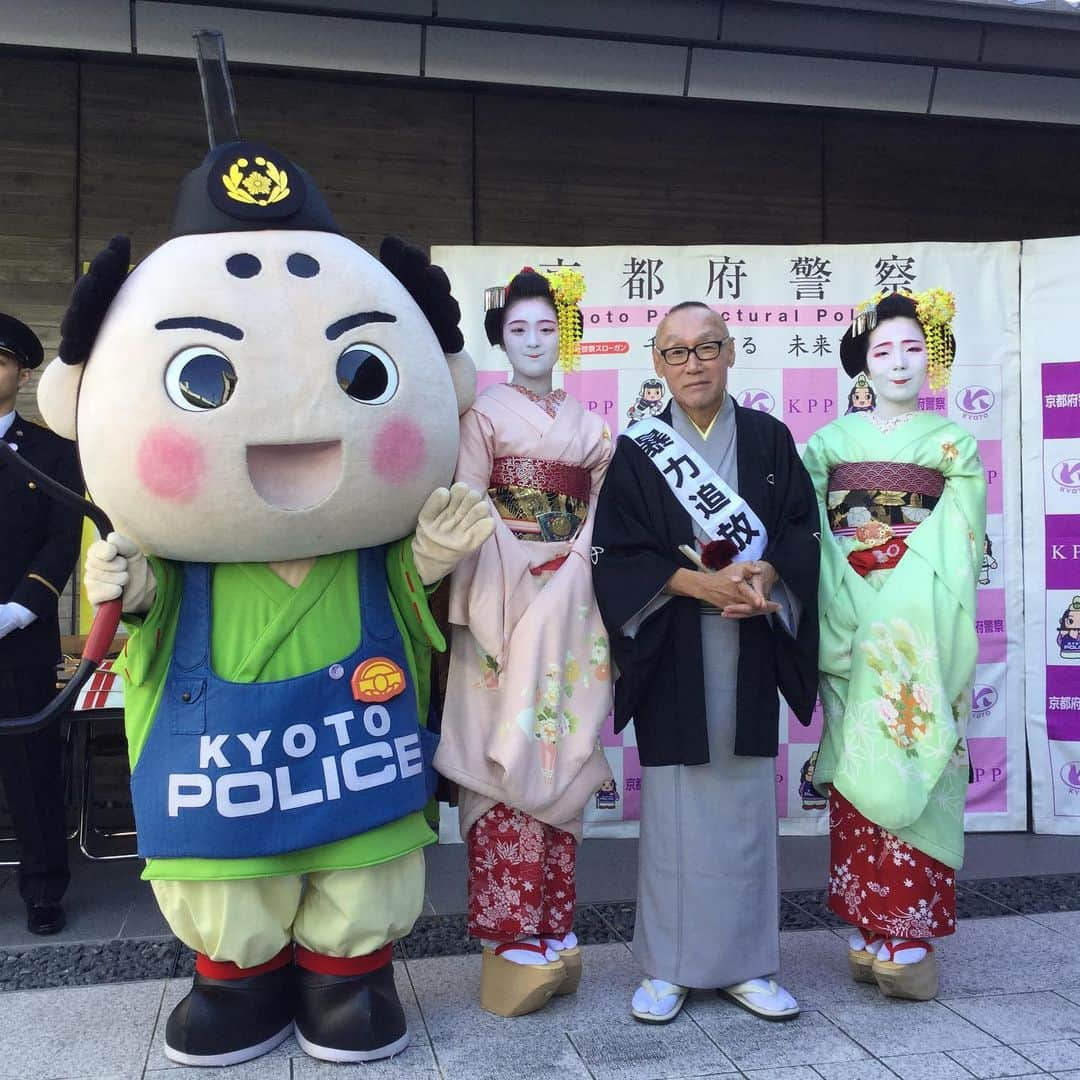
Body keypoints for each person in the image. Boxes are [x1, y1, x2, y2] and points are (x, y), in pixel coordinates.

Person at [39, 40, 493, 1067]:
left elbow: (406, 611)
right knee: (227, 882)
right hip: (223, 779)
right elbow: (139, 626)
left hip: (354, 762)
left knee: (359, 872)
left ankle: (347, 974)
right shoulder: (180, 548)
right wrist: (131, 586)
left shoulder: (363, 544)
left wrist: (420, 566)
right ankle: (234, 978)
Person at [592, 301, 819, 1024]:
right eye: (677, 351)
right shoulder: (639, 450)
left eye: (707, 347)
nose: (694, 362)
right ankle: (667, 966)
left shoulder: (769, 439)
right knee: (675, 815)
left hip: (750, 644)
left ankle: (749, 963)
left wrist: (768, 579)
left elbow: (800, 533)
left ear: (729, 354)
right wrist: (696, 583)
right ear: (657, 364)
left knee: (748, 806)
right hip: (673, 649)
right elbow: (617, 556)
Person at [435, 267, 613, 1017]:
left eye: (546, 328)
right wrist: (518, 564)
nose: (534, 341)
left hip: (571, 599)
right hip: (500, 599)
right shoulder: (481, 415)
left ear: (562, 336)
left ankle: (551, 924)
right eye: (518, 331)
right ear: (499, 340)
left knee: (561, 751)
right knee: (500, 749)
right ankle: (508, 932)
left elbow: (603, 512)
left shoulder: (594, 428)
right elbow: (471, 502)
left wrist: (571, 565)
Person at [802, 288, 985, 1001]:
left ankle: (906, 926)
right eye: (884, 350)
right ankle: (865, 918)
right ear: (862, 365)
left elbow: (958, 540)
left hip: (920, 624)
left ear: (931, 357)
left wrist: (902, 596)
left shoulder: (952, 445)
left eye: (913, 347)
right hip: (849, 613)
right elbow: (813, 533)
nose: (900, 362)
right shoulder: (828, 446)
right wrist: (846, 598)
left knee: (916, 745)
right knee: (858, 760)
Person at [0, 313, 82, 936]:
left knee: (31, 763)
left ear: (23, 373)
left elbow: (61, 539)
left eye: (1, 360)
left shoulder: (53, 452)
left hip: (19, 636)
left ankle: (44, 888)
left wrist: (19, 607)